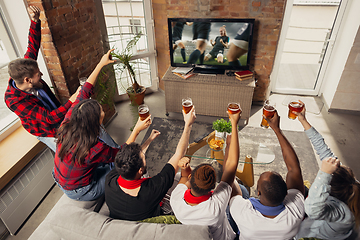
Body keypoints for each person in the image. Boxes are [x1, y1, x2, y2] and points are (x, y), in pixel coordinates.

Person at [53, 50, 151, 201]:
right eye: (101, 112)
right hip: (81, 190)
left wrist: (101, 63)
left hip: (62, 178)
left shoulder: (69, 120)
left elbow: (84, 90)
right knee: (120, 166)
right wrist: (137, 129)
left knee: (104, 140)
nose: (103, 111)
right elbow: (120, 155)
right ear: (93, 121)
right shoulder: (94, 148)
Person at [5, 6, 79, 152]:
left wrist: (35, 21)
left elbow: (32, 47)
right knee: (66, 156)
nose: (42, 76)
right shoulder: (13, 101)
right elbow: (49, 119)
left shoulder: (25, 69)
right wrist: (72, 100)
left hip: (58, 116)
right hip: (47, 130)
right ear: (28, 80)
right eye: (38, 75)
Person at [170, 107, 249, 240]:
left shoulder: (176, 200)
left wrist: (184, 166)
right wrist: (234, 125)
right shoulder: (216, 206)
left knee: (236, 187)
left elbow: (183, 177)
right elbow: (231, 166)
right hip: (228, 237)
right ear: (214, 188)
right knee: (242, 191)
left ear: (191, 179)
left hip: (199, 231)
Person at [105, 107, 196, 221]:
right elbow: (179, 154)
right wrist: (188, 124)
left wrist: (149, 140)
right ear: (140, 171)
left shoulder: (110, 179)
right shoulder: (152, 188)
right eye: (144, 158)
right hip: (154, 215)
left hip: (128, 215)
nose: (145, 157)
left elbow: (131, 158)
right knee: (183, 178)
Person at [229, 111, 305, 239]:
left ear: (258, 193)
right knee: (240, 191)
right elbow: (294, 169)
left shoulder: (243, 213)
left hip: (245, 226)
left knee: (239, 191)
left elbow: (229, 177)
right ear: (286, 192)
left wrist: (232, 129)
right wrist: (277, 129)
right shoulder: (296, 211)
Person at [294, 101, 360, 240]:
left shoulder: (343, 212)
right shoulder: (351, 184)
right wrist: (303, 120)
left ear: (328, 191)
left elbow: (311, 209)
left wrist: (324, 174)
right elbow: (323, 148)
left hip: (317, 236)